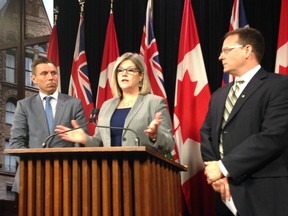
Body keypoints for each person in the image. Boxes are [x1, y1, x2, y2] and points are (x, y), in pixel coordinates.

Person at [200, 27, 288, 216]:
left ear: (247, 50)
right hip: (224, 192)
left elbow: (273, 136)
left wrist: (224, 167)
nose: (220, 57)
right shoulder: (218, 95)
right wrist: (216, 173)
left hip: (264, 191)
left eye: (226, 50)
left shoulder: (279, 86)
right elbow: (206, 134)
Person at [55, 52, 174, 154]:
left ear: (141, 76)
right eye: (120, 70)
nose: (124, 73)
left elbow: (169, 144)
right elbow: (100, 143)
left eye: (130, 70)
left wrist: (155, 135)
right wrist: (85, 139)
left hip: (141, 170)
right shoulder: (107, 106)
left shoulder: (154, 102)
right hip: (111, 171)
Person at [9, 57, 87, 192]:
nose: (51, 77)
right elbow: (17, 142)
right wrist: (34, 164)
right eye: (44, 74)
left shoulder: (74, 104)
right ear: (33, 79)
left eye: (53, 73)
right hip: (32, 176)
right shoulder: (24, 106)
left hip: (67, 176)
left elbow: (82, 140)